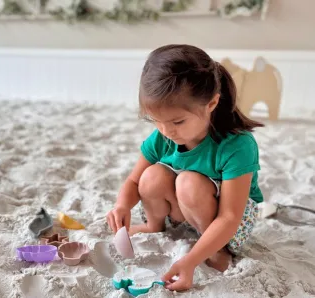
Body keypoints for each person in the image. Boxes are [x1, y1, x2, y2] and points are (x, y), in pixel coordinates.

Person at [106, 44, 264, 292]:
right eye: (156, 121)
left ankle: (215, 248)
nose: (166, 131)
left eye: (177, 121)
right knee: (153, 175)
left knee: (188, 181)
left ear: (211, 103)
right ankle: (154, 225)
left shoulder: (237, 145)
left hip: (228, 223)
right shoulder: (164, 135)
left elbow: (230, 217)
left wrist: (191, 261)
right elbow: (135, 182)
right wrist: (122, 205)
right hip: (185, 210)